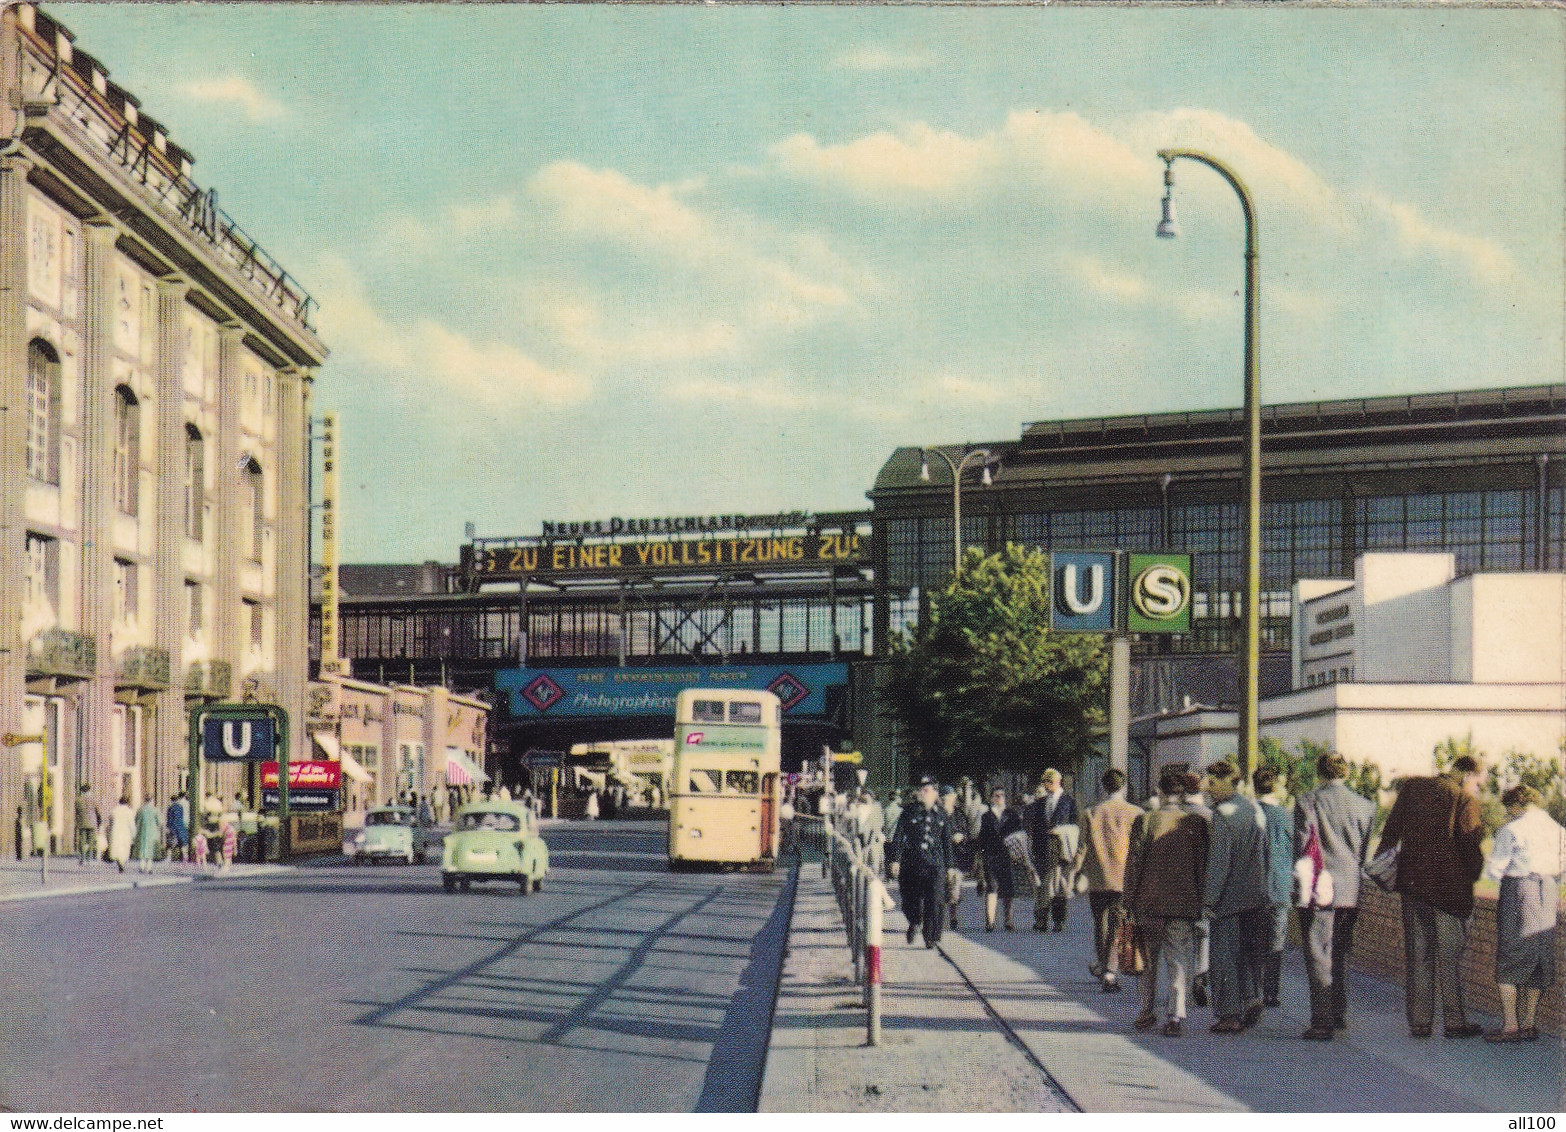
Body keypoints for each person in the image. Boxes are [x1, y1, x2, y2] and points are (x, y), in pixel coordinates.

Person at [1377, 753, 1486, 1039]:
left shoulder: (1412, 788)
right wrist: (1473, 875)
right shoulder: (1464, 800)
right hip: (1448, 891)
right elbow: (1470, 848)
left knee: (1418, 955)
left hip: (1412, 885)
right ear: (1468, 775)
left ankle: (1420, 1022)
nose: (1477, 788)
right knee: (1449, 957)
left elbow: (1390, 832)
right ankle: (1454, 1022)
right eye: (1477, 782)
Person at [1292, 751, 1377, 1040]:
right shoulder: (1366, 806)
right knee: (1341, 951)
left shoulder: (1307, 801)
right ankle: (1339, 1010)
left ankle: (1321, 1018)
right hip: (1350, 888)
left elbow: (1302, 848)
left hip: (1319, 885)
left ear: (1320, 772)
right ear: (1346, 772)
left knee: (1318, 951)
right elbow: (1364, 852)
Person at [1124, 768, 1210, 1038]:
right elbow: (1202, 866)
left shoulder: (1146, 821)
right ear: (1182, 793)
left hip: (1149, 902)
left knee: (1147, 961)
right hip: (1183, 905)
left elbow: (1134, 864)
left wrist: (1129, 899)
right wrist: (1202, 901)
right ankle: (1175, 1015)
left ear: (1160, 792)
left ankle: (1146, 1011)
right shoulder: (1195, 824)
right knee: (1179, 961)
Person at [1482, 785, 1564, 1042]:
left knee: (1510, 953)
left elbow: (1495, 870)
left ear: (1516, 804)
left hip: (1519, 890)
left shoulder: (1511, 830)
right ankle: (1529, 1023)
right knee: (1540, 953)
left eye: (1509, 808)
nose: (1508, 813)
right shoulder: (1558, 829)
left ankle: (1510, 1024)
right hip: (1548, 890)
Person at [1202, 761, 1270, 1033]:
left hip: (1229, 899)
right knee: (1249, 954)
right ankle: (1252, 997)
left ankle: (1230, 1013)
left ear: (1231, 781)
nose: (1210, 789)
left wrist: (1209, 900)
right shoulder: (1253, 808)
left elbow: (1219, 862)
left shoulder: (1223, 815)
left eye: (1214, 783)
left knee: (1224, 957)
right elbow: (1264, 851)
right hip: (1255, 895)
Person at [1076, 768, 1143, 994]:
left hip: (1098, 877)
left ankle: (1104, 965)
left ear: (1103, 787)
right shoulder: (1135, 813)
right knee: (1118, 924)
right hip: (1124, 877)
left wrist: (1074, 872)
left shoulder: (1091, 812)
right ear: (1123, 786)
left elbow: (1082, 848)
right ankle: (1110, 971)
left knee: (1100, 923)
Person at [891, 776, 954, 948]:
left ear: (935, 793)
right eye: (922, 789)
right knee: (910, 899)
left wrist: (950, 866)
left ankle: (930, 934)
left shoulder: (941, 814)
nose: (923, 792)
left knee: (935, 899)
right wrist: (895, 859)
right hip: (912, 862)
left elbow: (946, 841)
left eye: (927, 790)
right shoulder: (909, 811)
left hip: (934, 864)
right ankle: (914, 922)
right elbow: (898, 836)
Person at [1253, 769, 1294, 1008]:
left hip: (1253, 887)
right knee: (1276, 943)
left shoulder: (1247, 814)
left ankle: (1254, 990)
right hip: (1280, 886)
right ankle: (1271, 991)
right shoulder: (1287, 817)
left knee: (1253, 940)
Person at [1027, 768, 1079, 932]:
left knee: (1059, 886)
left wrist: (1064, 833)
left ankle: (1058, 920)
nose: (1045, 785)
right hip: (1043, 848)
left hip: (1061, 848)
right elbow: (1035, 827)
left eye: (1047, 782)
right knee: (1043, 886)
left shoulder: (1069, 801)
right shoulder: (1040, 802)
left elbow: (1075, 825)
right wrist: (1034, 848)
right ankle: (1041, 920)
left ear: (1054, 782)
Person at [1181, 771, 1214, 1008]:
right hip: (1203, 884)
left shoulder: (1174, 815)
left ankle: (1179, 982)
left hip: (1176, 885)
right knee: (1203, 934)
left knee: (1179, 936)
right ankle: (1200, 975)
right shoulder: (1211, 817)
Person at [977, 786, 1022, 931]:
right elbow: (982, 837)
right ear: (991, 798)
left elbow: (1018, 833)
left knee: (1008, 888)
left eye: (1002, 795)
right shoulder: (987, 816)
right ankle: (990, 921)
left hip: (1007, 855)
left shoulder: (1012, 815)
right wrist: (981, 854)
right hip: (991, 855)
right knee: (992, 887)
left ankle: (1008, 921)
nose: (1000, 798)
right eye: (996, 795)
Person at [941, 785, 971, 931]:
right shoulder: (938, 815)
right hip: (940, 858)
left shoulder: (959, 815)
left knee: (954, 890)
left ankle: (953, 917)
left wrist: (962, 837)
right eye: (945, 797)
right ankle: (940, 917)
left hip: (956, 857)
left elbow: (967, 832)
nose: (947, 800)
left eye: (950, 797)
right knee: (940, 888)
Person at [133, 796, 162, 875]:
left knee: (142, 849)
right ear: (152, 800)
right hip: (152, 832)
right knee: (150, 850)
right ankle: (149, 867)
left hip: (142, 832)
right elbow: (159, 822)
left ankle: (141, 866)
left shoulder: (140, 810)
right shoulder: (155, 810)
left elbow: (136, 820)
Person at [107, 794, 135, 873]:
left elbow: (110, 822)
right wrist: (134, 834)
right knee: (125, 849)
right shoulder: (129, 811)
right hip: (125, 832)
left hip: (116, 832)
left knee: (116, 848)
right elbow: (131, 824)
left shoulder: (114, 811)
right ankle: (122, 863)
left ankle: (119, 863)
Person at [74, 784, 101, 865]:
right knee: (91, 841)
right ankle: (89, 858)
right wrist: (99, 821)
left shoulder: (78, 800)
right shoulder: (93, 800)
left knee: (82, 840)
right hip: (92, 822)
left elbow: (77, 811)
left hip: (82, 823)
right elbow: (97, 811)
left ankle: (82, 857)